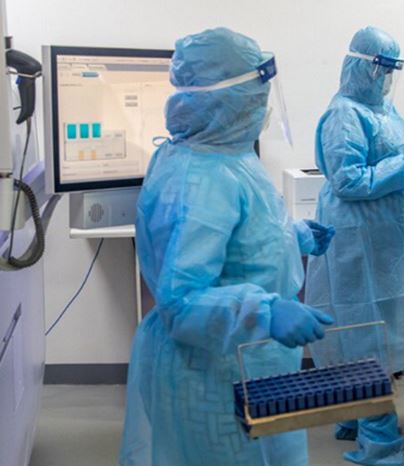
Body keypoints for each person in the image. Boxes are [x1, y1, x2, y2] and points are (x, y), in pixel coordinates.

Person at [119, 28, 336, 466]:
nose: (263, 106)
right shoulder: (201, 177)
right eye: (256, 95)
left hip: (252, 361)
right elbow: (181, 302)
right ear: (228, 100)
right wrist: (265, 312)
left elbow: (244, 241)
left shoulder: (225, 154)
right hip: (213, 372)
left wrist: (294, 236)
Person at [305, 26, 404, 466]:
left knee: (372, 330)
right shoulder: (344, 115)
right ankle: (380, 441)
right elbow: (349, 180)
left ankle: (356, 417)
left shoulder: (381, 110)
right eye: (382, 69)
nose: (387, 78)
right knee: (365, 336)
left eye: (393, 70)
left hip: (383, 245)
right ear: (361, 66)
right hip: (358, 244)